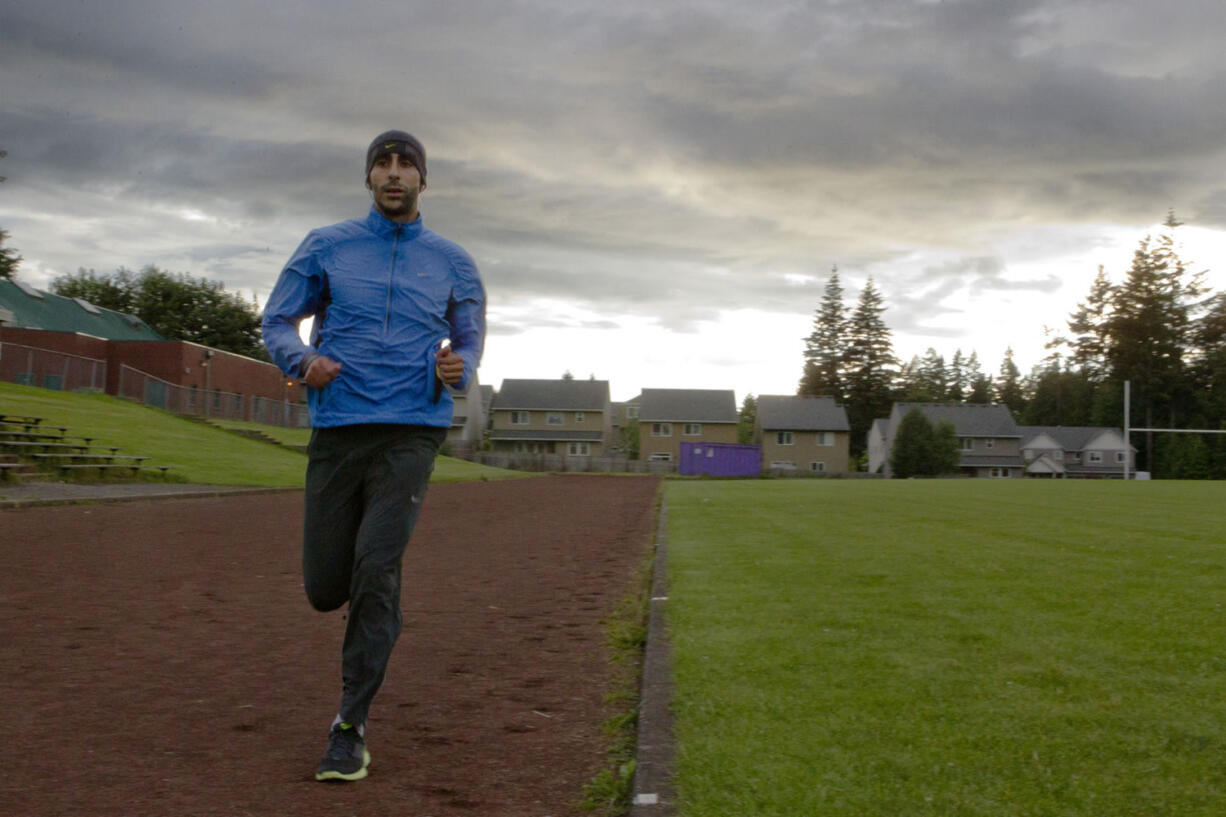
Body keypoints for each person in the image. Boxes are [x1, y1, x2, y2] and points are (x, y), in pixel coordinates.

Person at [262, 129, 486, 782]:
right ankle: (374, 600)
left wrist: (459, 368)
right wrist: (303, 360)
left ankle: (349, 724)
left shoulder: (454, 262)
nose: (394, 174)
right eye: (382, 164)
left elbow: (470, 339)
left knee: (376, 567)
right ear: (368, 179)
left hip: (411, 431)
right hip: (337, 430)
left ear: (423, 180)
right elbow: (277, 320)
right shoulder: (326, 246)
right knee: (326, 586)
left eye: (406, 164)